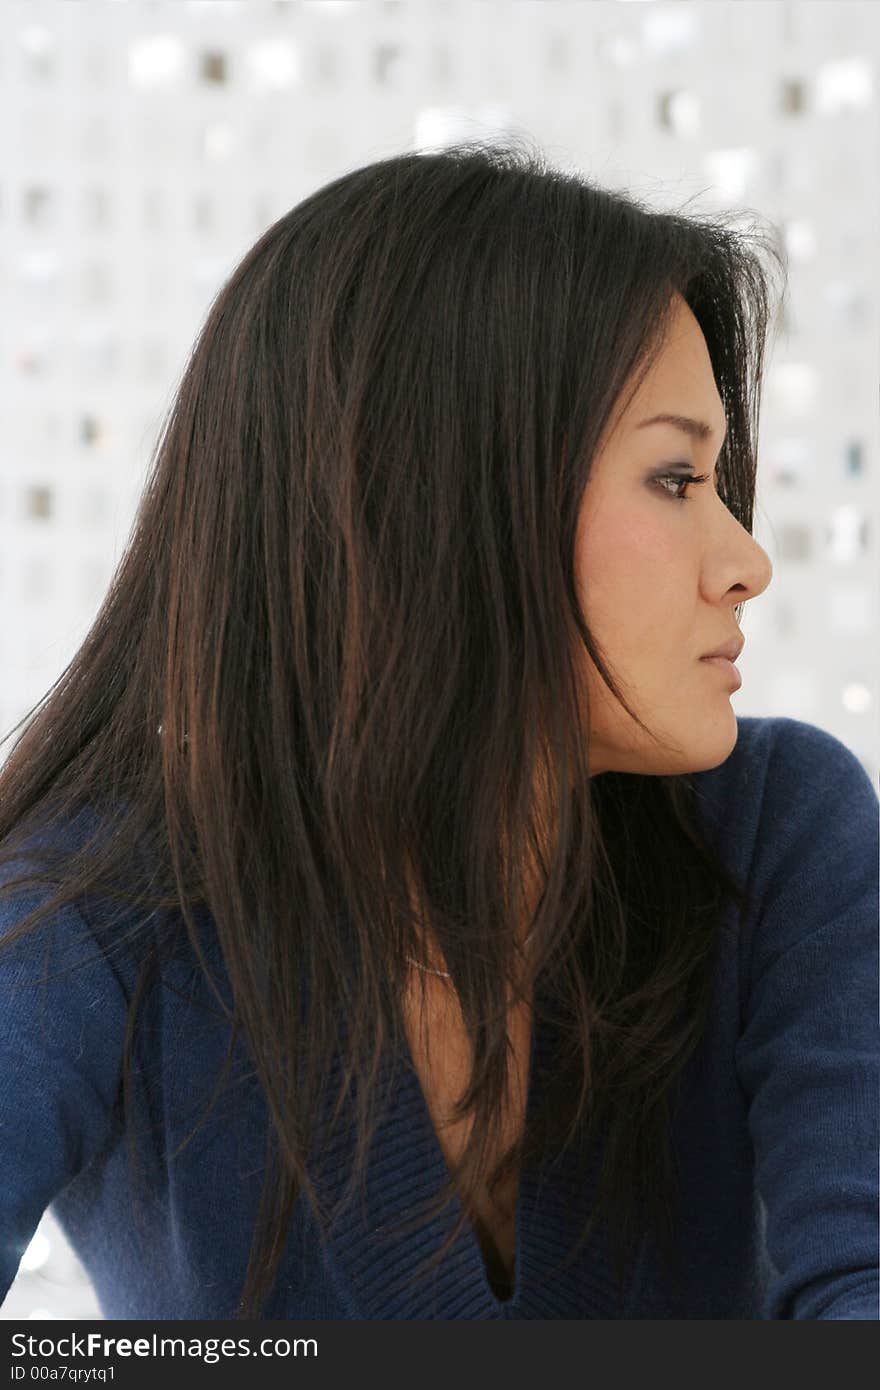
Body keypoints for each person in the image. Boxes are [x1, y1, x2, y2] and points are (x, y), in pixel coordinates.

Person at [0, 138, 877, 1321]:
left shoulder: (777, 833)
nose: (746, 561)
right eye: (676, 478)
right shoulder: (95, 905)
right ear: (436, 499)